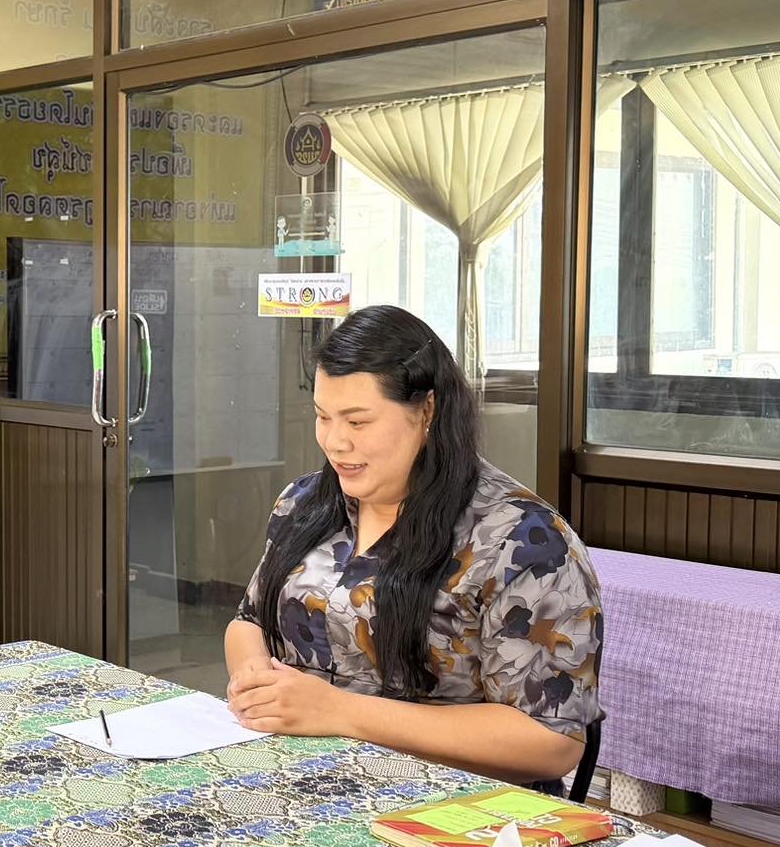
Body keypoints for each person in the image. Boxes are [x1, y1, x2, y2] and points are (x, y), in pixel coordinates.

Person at [225, 306, 602, 790]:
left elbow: (550, 741)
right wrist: (258, 681)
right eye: (323, 417)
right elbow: (248, 621)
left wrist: (341, 713)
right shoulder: (305, 503)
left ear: (427, 412)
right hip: (300, 781)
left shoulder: (521, 541)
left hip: (450, 807)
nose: (335, 442)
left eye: (358, 422)